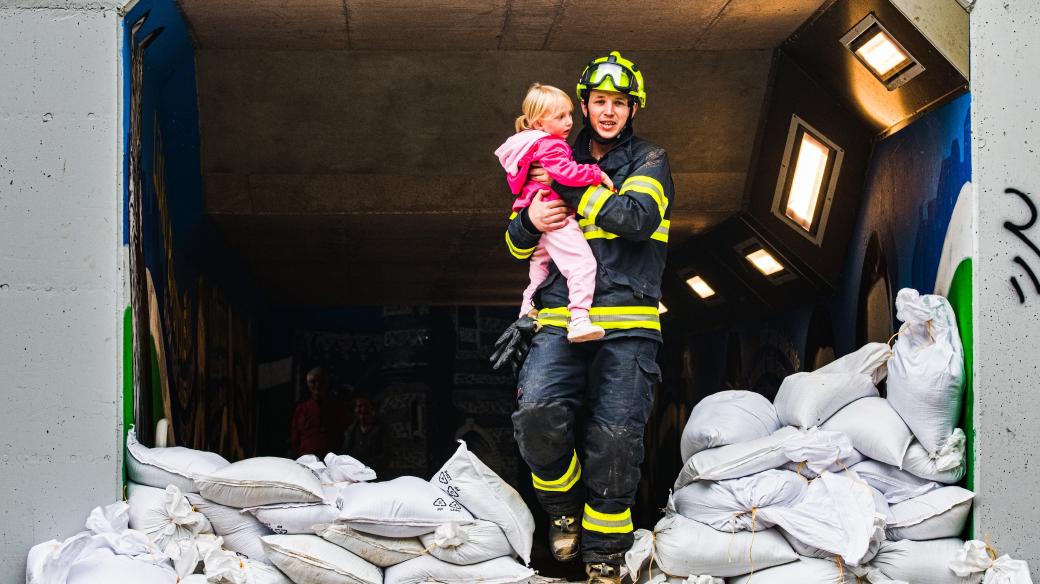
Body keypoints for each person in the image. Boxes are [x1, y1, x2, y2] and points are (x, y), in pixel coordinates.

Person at [495, 51, 673, 584]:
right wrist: (528, 219)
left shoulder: (649, 159)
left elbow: (636, 219)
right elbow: (512, 243)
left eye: (620, 103)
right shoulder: (553, 152)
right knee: (537, 416)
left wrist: (571, 188)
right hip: (558, 318)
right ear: (584, 104)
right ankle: (563, 511)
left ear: (633, 108)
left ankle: (605, 553)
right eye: (600, 101)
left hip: (629, 322)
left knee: (615, 439)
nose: (609, 112)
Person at [494, 83, 614, 342]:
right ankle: (580, 319)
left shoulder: (529, 147)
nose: (569, 121)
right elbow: (566, 174)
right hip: (556, 215)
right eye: (560, 117)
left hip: (537, 214)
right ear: (539, 123)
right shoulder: (552, 146)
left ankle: (526, 314)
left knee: (539, 272)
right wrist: (596, 174)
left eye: (569, 114)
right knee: (582, 264)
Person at [289, 367, 352, 458]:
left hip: (331, 461)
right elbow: (295, 439)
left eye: (320, 381)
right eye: (313, 382)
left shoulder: (337, 407)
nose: (317, 385)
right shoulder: (301, 409)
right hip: (306, 461)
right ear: (308, 385)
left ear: (327, 383)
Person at [342, 395, 386, 476]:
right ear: (355, 410)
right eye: (359, 406)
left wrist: (369, 471)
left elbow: (385, 455)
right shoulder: (351, 430)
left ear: (372, 408)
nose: (362, 409)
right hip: (354, 474)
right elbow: (346, 452)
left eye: (366, 406)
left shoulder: (382, 429)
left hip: (375, 475)